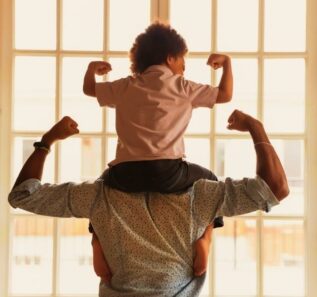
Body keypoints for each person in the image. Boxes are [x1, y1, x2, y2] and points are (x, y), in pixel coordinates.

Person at [8, 110, 289, 297]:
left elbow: (23, 194)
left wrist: (47, 142)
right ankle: (206, 233)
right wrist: (255, 128)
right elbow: (275, 188)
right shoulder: (199, 193)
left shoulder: (100, 194)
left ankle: (204, 233)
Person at [83, 22, 233, 278]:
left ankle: (98, 243)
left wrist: (90, 70)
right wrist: (227, 63)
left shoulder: (127, 85)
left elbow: (89, 89)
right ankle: (205, 239)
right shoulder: (183, 87)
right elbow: (225, 94)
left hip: (125, 173)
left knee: (99, 191)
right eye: (182, 60)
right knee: (211, 181)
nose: (184, 66)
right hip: (169, 173)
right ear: (170, 57)